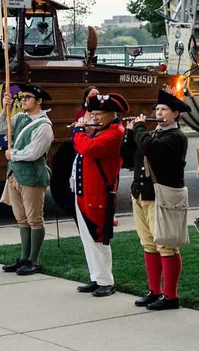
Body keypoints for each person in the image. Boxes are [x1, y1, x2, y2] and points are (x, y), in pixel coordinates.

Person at [122, 90, 191, 311]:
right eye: (157, 109)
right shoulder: (152, 134)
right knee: (149, 244)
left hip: (163, 196)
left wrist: (140, 128)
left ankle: (171, 296)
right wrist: (129, 133)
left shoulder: (176, 137)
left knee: (166, 245)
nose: (158, 113)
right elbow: (127, 158)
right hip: (142, 194)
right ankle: (154, 291)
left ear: (176, 114)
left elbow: (151, 150)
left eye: (163, 110)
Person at [0, 83, 54, 276]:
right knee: (22, 219)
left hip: (32, 177)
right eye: (22, 98)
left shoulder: (44, 126)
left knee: (34, 219)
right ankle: (24, 258)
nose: (23, 100)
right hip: (15, 175)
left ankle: (33, 260)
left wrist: (13, 155)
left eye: (27, 98)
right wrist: (4, 109)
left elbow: (34, 152)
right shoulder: (20, 118)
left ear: (39, 101)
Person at [72, 93, 129, 297]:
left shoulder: (115, 132)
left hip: (98, 193)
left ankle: (106, 280)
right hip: (84, 191)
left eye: (98, 114)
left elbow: (89, 148)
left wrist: (79, 131)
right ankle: (96, 276)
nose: (94, 118)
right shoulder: (99, 130)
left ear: (110, 114)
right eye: (92, 113)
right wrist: (85, 131)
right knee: (87, 237)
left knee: (98, 237)